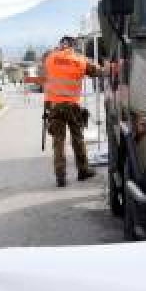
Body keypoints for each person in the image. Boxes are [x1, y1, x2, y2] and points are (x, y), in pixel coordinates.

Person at [42, 36, 102, 187]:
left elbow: (45, 78)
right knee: (77, 138)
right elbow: (96, 71)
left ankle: (60, 177)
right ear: (73, 46)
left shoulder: (50, 58)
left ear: (60, 44)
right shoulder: (80, 60)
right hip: (72, 106)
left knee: (58, 142)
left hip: (55, 106)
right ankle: (83, 171)